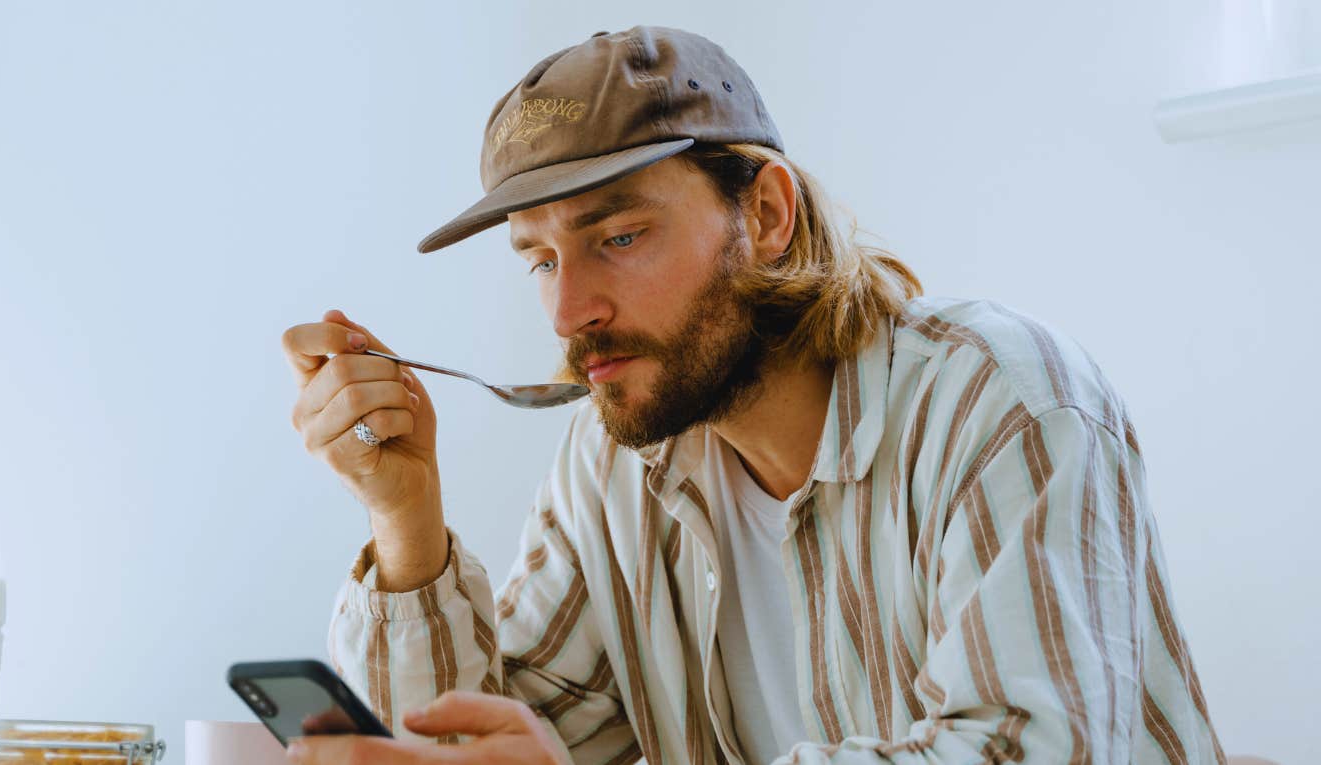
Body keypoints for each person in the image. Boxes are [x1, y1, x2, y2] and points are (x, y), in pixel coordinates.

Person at [281, 25, 1223, 765]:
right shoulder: (618, 460)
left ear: (766, 213)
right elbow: (483, 745)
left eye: (618, 237)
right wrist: (407, 522)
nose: (569, 313)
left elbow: (1024, 753)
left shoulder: (1002, 403)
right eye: (539, 258)